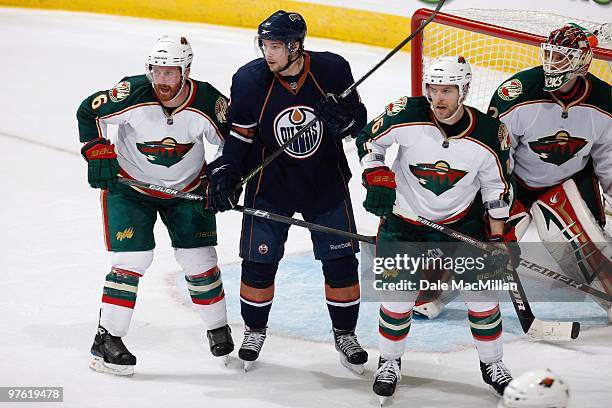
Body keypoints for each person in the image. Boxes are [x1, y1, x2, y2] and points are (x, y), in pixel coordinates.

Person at [205, 10, 368, 373]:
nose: (268, 53)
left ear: (295, 46)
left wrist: (345, 119)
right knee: (259, 262)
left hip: (324, 181)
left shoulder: (333, 70)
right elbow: (239, 137)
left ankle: (345, 334)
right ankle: (255, 329)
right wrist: (228, 170)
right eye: (264, 45)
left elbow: (359, 121)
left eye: (276, 46)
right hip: (270, 186)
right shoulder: (249, 80)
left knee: (340, 262)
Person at [355, 56, 515, 402]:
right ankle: (389, 361)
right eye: (433, 89)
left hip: (464, 225)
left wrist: (498, 237)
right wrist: (375, 174)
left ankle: (493, 364)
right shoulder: (406, 114)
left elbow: (495, 188)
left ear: (464, 91)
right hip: (405, 224)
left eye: (447, 90)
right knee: (397, 300)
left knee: (484, 297)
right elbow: (369, 140)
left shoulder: (489, 134)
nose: (438, 98)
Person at [76, 35, 233, 376]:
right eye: (156, 72)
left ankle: (218, 327)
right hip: (131, 188)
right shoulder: (132, 92)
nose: (162, 80)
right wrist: (96, 149)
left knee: (199, 261)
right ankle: (108, 338)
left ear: (186, 71)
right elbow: (89, 111)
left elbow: (233, 145)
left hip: (187, 190)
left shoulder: (208, 101)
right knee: (132, 259)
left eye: (170, 72)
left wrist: (221, 177)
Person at [489, 24, 612, 321]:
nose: (552, 63)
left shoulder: (605, 102)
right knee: (482, 247)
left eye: (562, 57)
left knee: (588, 252)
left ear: (582, 62)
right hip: (515, 183)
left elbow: (608, 159)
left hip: (567, 184)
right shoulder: (515, 94)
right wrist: (494, 212)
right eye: (551, 54)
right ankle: (432, 293)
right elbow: (494, 158)